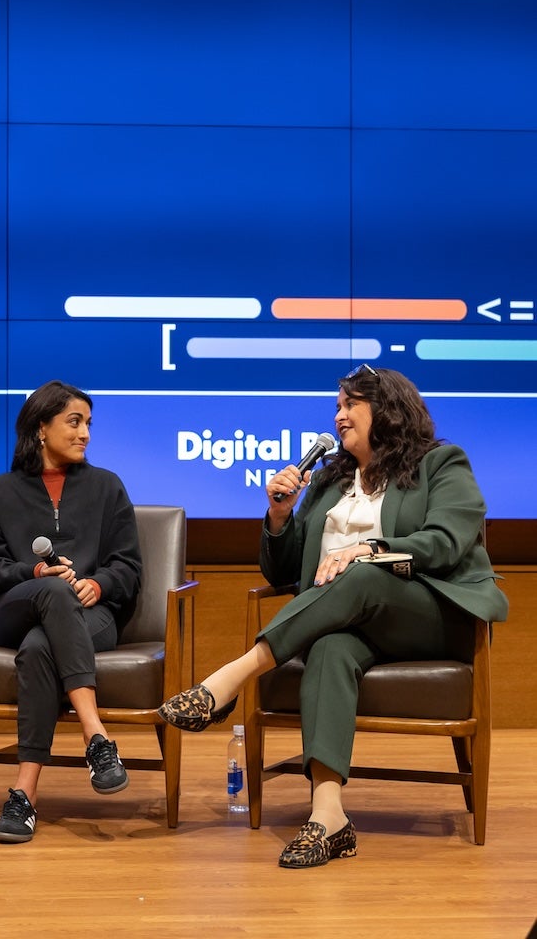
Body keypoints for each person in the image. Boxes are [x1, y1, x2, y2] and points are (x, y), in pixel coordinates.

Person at [160, 365, 508, 868]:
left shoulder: (441, 464)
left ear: (386, 410)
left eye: (350, 405)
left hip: (432, 614)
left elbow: (446, 542)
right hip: (353, 624)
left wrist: (371, 548)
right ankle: (329, 818)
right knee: (327, 646)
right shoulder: (328, 482)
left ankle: (228, 680)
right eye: (337, 407)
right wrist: (280, 516)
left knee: (363, 573)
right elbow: (285, 572)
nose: (339, 417)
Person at [0, 381, 143, 844]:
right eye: (74, 421)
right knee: (50, 591)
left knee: (41, 647)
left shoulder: (107, 487)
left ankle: (23, 795)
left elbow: (128, 565)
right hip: (15, 608)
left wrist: (97, 583)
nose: (85, 433)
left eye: (88, 423)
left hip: (92, 613)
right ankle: (95, 735)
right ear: (41, 428)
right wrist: (37, 570)